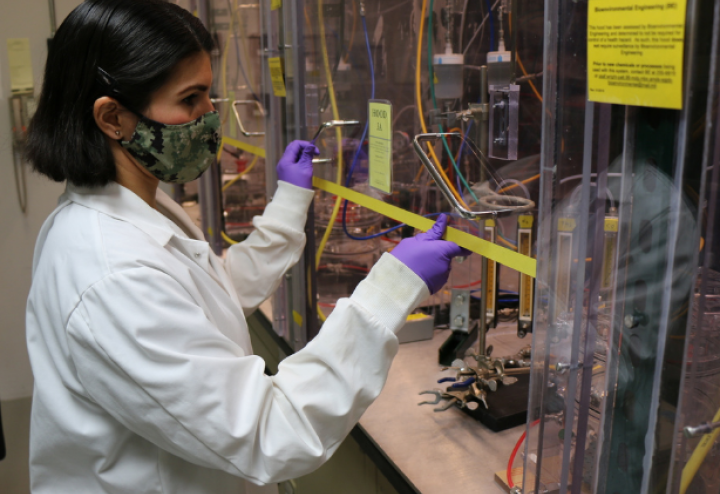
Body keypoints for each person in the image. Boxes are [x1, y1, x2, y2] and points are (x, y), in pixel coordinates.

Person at [24, 0, 465, 492]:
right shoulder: (110, 271)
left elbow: (209, 294)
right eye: (190, 100)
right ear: (113, 118)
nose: (210, 117)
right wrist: (388, 292)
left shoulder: (135, 206)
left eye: (209, 94)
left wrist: (289, 204)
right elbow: (271, 432)